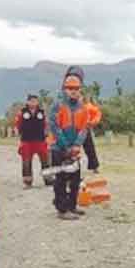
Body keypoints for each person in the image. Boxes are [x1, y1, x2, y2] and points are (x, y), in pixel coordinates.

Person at [48, 74, 89, 220]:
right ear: (65, 89)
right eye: (70, 88)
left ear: (80, 89)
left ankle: (72, 206)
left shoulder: (83, 108)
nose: (73, 91)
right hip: (58, 148)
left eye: (76, 88)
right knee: (60, 179)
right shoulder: (57, 105)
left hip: (74, 149)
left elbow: (84, 128)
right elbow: (54, 127)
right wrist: (66, 146)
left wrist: (77, 145)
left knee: (75, 179)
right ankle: (62, 209)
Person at [15, 94, 49, 188]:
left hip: (40, 140)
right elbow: (17, 124)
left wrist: (47, 134)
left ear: (37, 102)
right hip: (27, 140)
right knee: (26, 161)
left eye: (35, 101)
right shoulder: (22, 112)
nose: (33, 103)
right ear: (28, 102)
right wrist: (18, 133)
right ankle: (27, 181)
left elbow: (46, 124)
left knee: (45, 161)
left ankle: (48, 179)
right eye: (31, 101)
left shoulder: (41, 112)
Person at [83, 96, 102, 174]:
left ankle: (94, 167)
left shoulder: (89, 107)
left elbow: (98, 114)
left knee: (90, 148)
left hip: (84, 129)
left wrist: (92, 123)